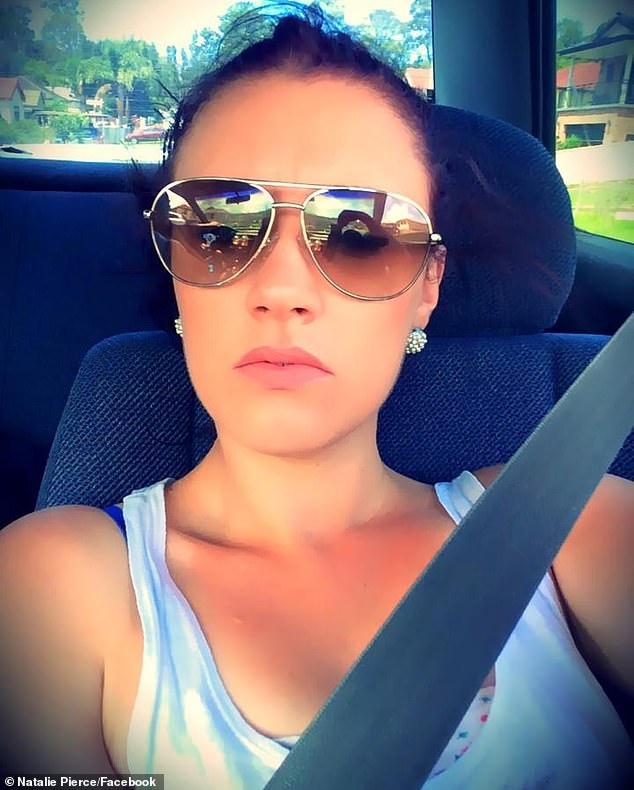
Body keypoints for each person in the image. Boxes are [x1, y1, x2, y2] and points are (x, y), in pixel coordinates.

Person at [0, 5, 632, 788]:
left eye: (360, 235)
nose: (283, 289)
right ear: (175, 267)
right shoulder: (51, 588)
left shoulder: (572, 527)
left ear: (426, 288)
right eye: (220, 227)